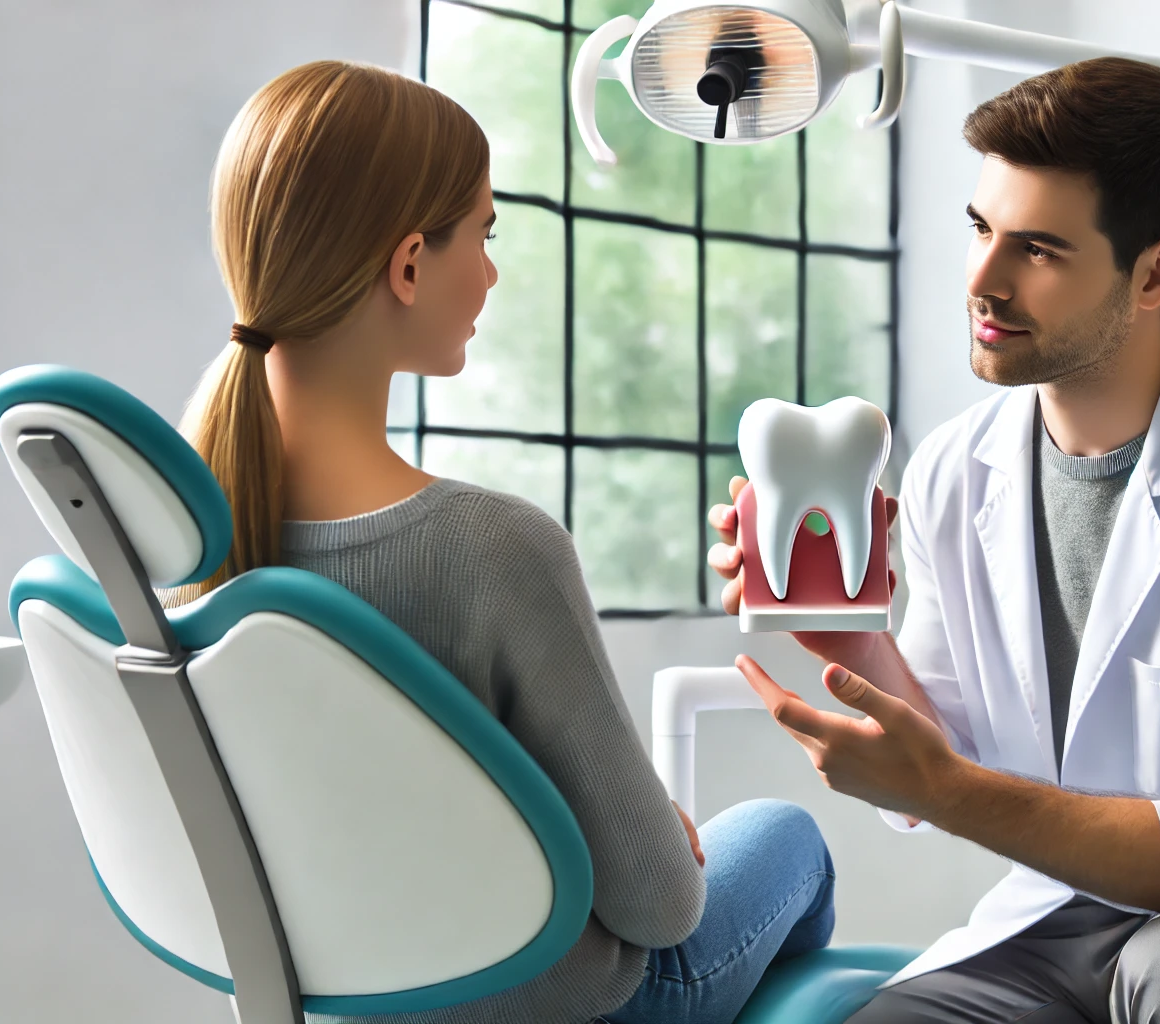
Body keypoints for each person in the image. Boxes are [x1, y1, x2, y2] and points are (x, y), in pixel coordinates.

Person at [708, 57, 1160, 1024]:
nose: (983, 281)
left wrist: (952, 790)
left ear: (1157, 272)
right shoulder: (955, 469)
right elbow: (941, 757)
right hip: (1053, 915)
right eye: (979, 230)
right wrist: (848, 638)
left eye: (1037, 250)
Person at [176, 60, 835, 1024]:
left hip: (338, 1005)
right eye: (483, 234)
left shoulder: (193, 550)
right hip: (573, 1005)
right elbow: (661, 902)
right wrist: (648, 832)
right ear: (408, 265)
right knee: (788, 836)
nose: (489, 270)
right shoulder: (496, 550)